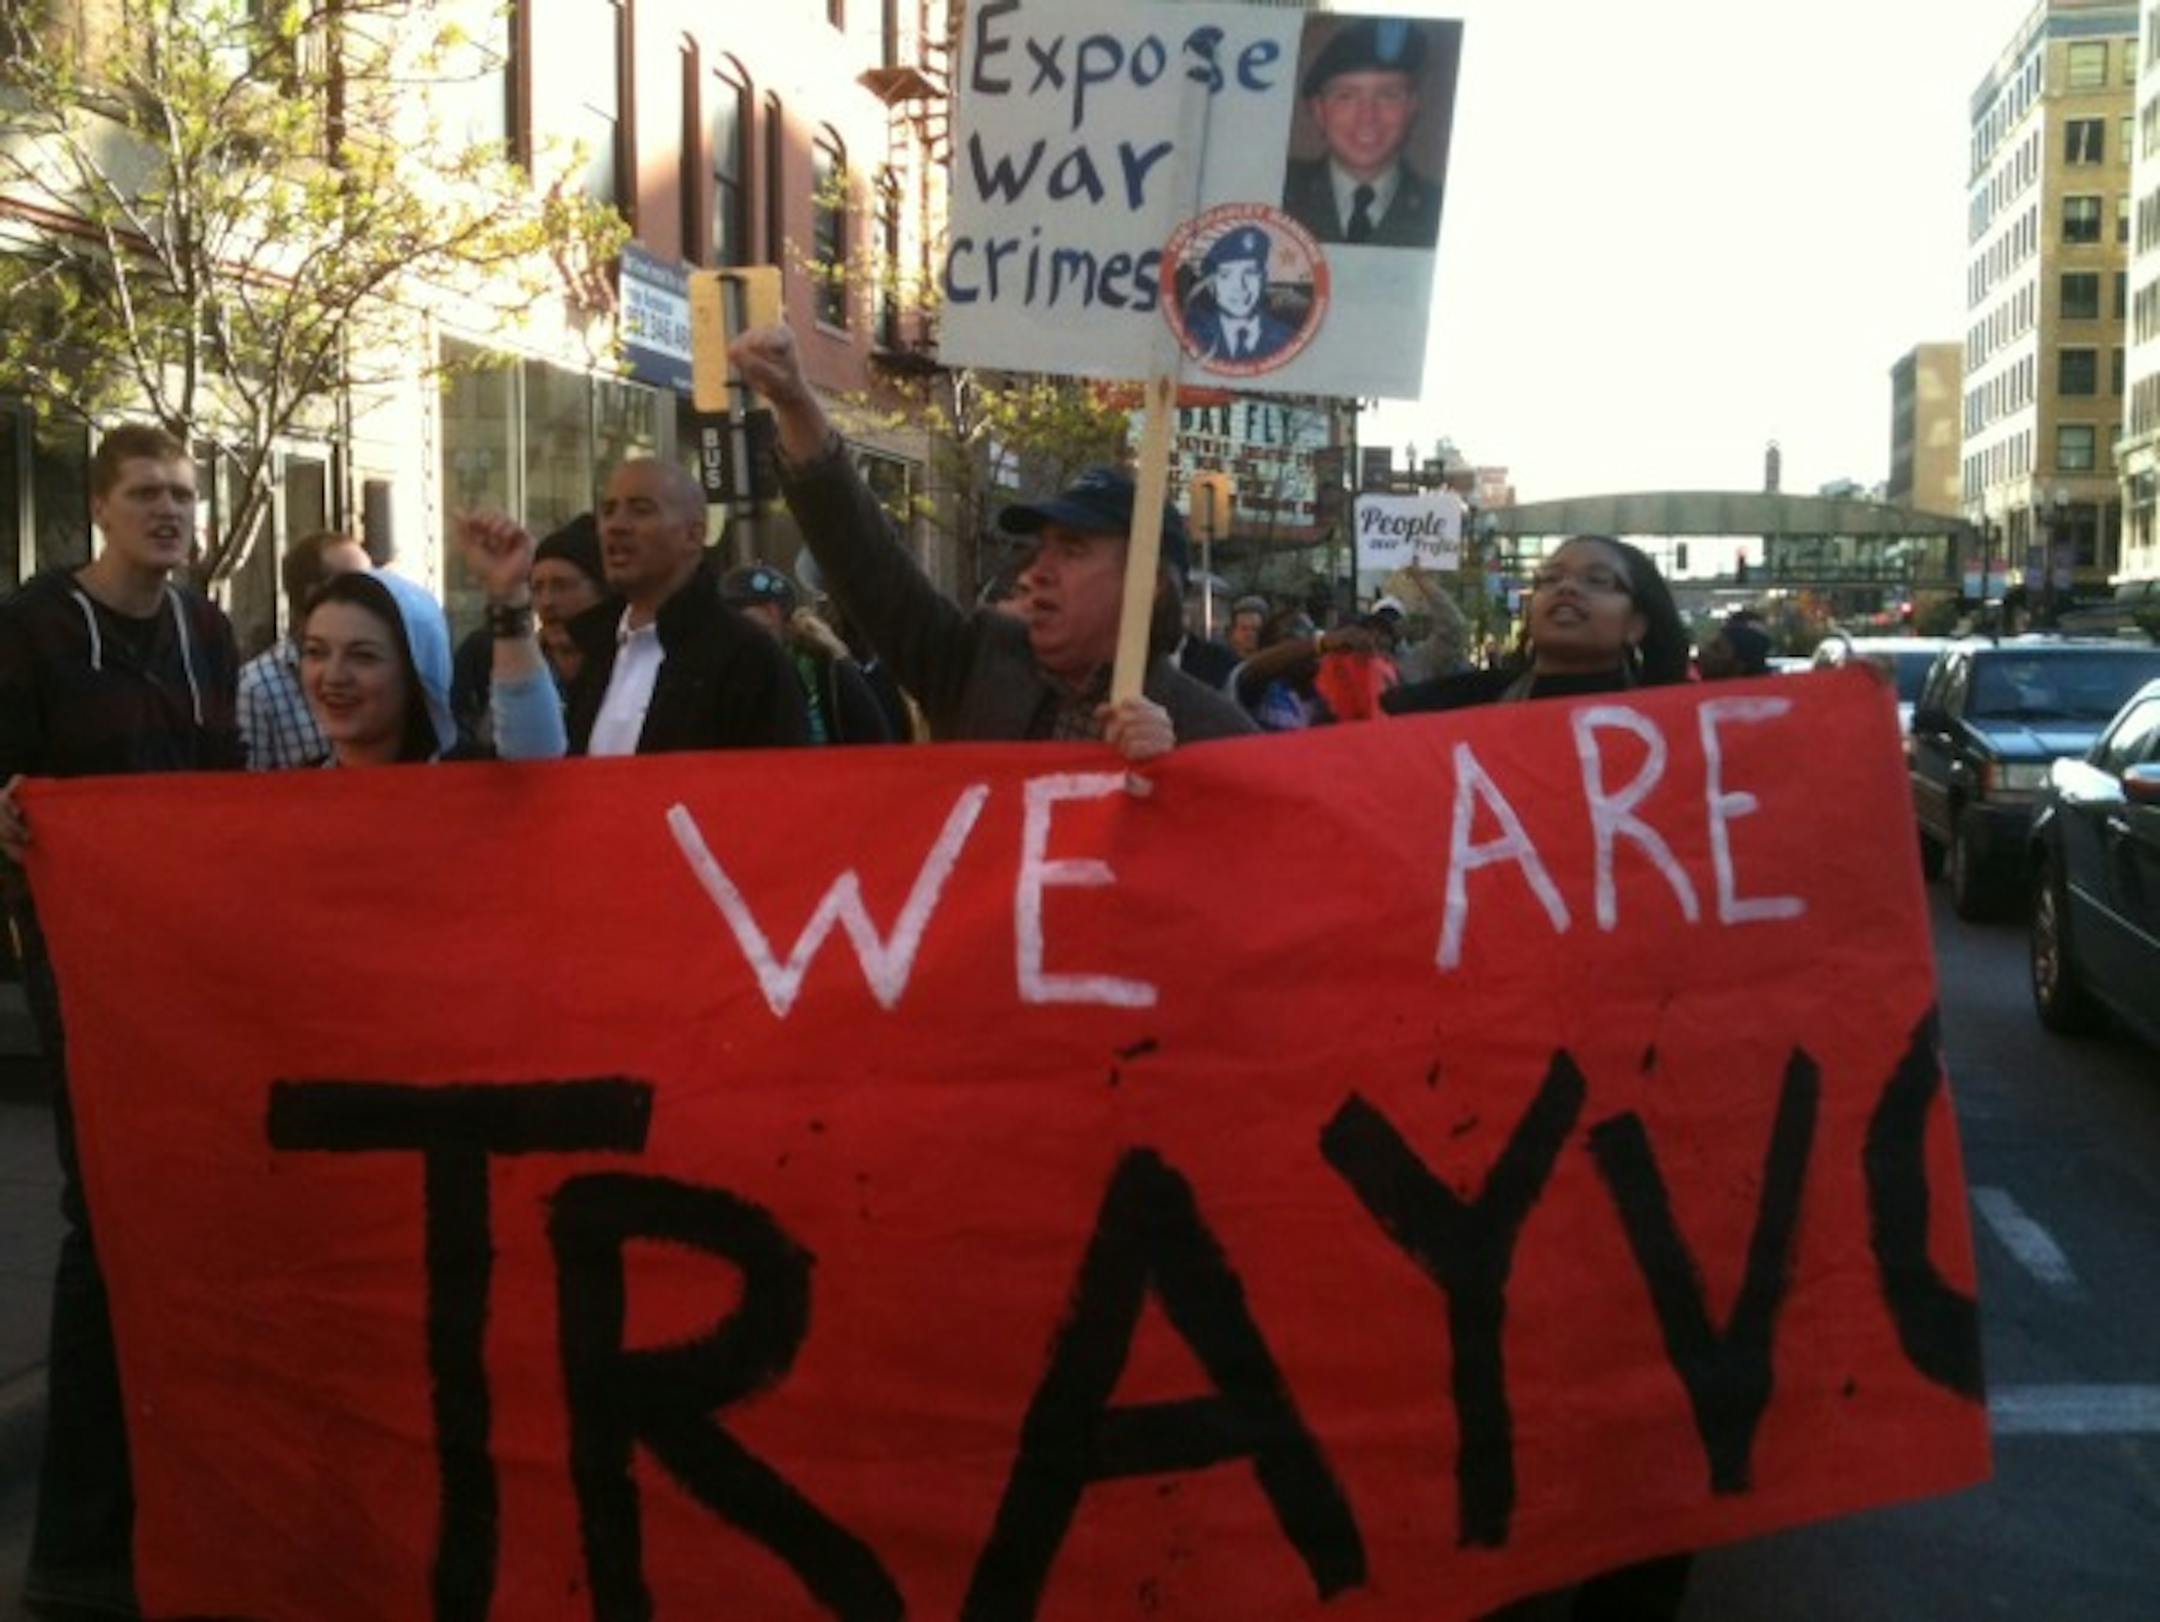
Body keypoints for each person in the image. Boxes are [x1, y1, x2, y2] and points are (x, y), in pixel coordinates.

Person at [0, 423, 243, 1622]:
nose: (171, 510)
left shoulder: (206, 629)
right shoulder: (33, 626)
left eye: (186, 494)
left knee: (179, 1216)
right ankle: (75, 1551)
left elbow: (228, 788)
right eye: (147, 491)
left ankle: (171, 1516)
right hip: (83, 971)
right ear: (99, 506)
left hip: (194, 971)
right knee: (105, 1218)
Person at [729, 323, 1252, 759]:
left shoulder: (1214, 735)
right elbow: (867, 565)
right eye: (1038, 548)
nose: (1034, 572)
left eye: (1072, 551)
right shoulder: (976, 666)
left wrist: (1180, 779)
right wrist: (796, 404)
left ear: (1149, 584)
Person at [560, 459, 810, 755]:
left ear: (693, 535)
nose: (616, 526)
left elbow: (777, 787)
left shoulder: (749, 659)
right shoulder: (594, 651)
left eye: (641, 510)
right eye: (608, 510)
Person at [303, 519, 564, 766]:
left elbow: (537, 763)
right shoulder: (289, 793)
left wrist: (509, 600)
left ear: (416, 670)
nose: (334, 676)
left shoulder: (469, 786)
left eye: (363, 656)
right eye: (316, 652)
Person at [1386, 535, 1691, 713]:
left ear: (1635, 625)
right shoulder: (1453, 705)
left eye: (1596, 580)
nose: (1567, 588)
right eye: (1551, 578)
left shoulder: (1679, 726)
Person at [1281, 18, 1444, 248]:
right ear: (1318, 111)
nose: (1367, 118)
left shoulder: (1443, 210)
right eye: (1346, 96)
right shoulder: (1276, 190)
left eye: (1388, 95)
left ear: (1412, 107)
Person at [451, 512, 606, 748]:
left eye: (561, 585)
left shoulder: (622, 667)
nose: (547, 601)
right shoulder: (493, 656)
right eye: (537, 587)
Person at [717, 562, 892, 746]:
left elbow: (874, 738)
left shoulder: (825, 666)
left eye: (735, 612)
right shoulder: (729, 671)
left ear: (771, 612)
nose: (727, 624)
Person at [237, 530, 371, 769]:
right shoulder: (256, 689)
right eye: (357, 585)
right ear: (313, 593)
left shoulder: (381, 671)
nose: (373, 596)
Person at [1183, 225, 1299, 365]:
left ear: (1263, 279)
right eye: (1226, 275)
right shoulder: (1194, 334)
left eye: (1250, 273)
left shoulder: (1288, 339)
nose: (1240, 287)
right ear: (1212, 286)